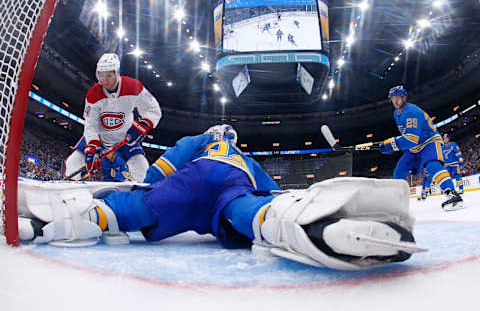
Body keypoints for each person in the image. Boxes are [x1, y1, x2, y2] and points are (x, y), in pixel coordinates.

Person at [18, 125, 426, 271]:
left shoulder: (204, 141)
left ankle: (58, 219)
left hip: (196, 181)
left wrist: (149, 185)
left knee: (140, 208)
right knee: (252, 213)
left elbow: (172, 160)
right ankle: (302, 225)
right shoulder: (244, 156)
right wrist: (281, 202)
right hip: (232, 188)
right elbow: (269, 191)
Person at [64, 53, 162, 182]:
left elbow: (154, 109)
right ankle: (72, 196)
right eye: (101, 75)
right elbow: (91, 124)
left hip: (126, 137)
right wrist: (92, 145)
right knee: (73, 162)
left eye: (109, 75)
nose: (104, 80)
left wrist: (143, 125)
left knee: (141, 167)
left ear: (117, 72)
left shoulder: (133, 87)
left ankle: (133, 197)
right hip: (100, 137)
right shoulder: (93, 94)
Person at [379, 85, 463, 211]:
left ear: (404, 97)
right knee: (400, 170)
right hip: (415, 147)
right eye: (393, 98)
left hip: (429, 142)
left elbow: (412, 139)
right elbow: (410, 139)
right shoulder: (397, 113)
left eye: (398, 97)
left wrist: (392, 144)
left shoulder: (411, 111)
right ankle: (396, 202)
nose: (395, 101)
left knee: (432, 165)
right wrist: (392, 145)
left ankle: (453, 195)